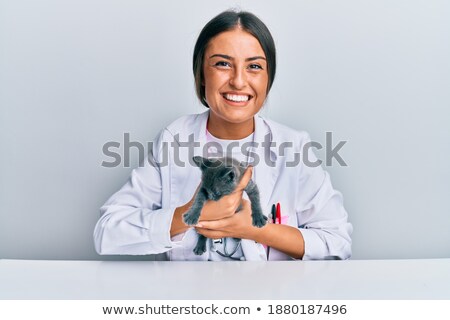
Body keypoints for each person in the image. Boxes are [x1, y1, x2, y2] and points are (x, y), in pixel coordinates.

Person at [93, 10, 352, 261]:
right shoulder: (175, 138)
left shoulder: (294, 146)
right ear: (202, 74)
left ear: (268, 78)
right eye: (223, 64)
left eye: (254, 67)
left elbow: (338, 243)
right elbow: (108, 232)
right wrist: (188, 214)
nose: (238, 81)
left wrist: (254, 229)